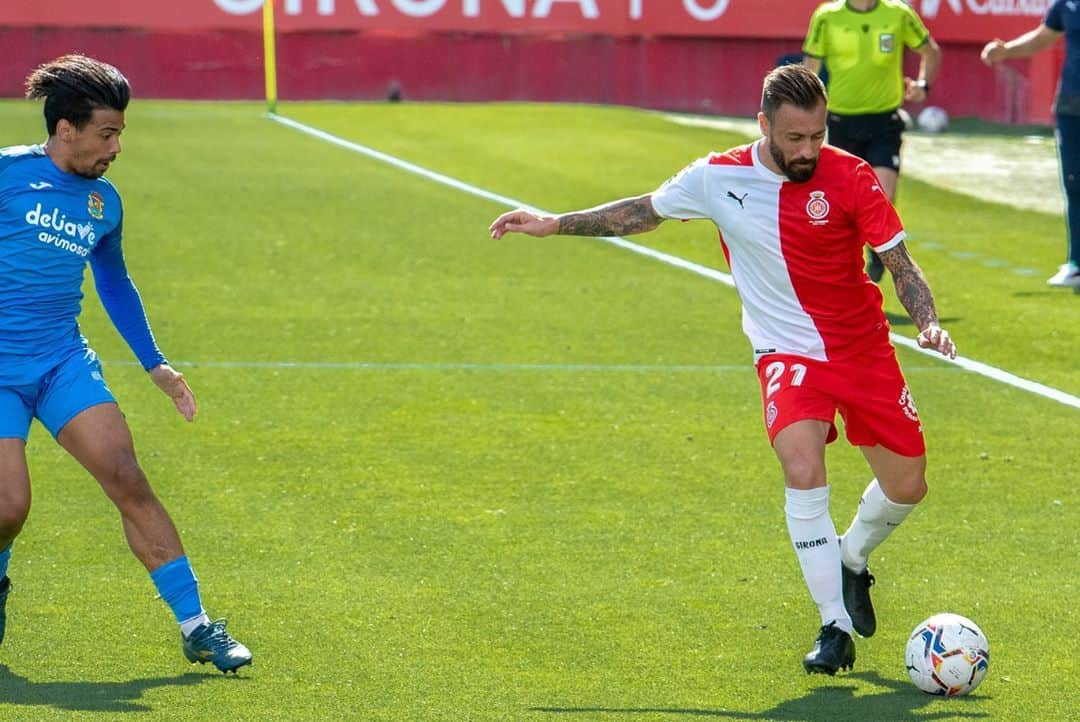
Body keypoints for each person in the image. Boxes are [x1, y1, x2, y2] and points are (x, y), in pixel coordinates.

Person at [489, 64, 957, 675]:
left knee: (907, 484)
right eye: (795, 138)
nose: (809, 149)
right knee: (802, 465)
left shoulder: (850, 175)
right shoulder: (716, 177)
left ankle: (851, 559)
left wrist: (926, 321)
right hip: (784, 353)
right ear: (763, 126)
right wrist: (555, 223)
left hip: (862, 350)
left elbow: (897, 260)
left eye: (817, 135)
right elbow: (644, 211)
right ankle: (832, 627)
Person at [0, 54, 252, 674]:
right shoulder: (7, 176)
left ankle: (198, 627)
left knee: (127, 476)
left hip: (61, 362)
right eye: (106, 134)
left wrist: (156, 366)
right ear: (66, 129)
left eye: (120, 135)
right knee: (8, 508)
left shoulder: (104, 203)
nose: (115, 148)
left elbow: (114, 284)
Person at [801, 0, 941, 283]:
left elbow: (931, 51)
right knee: (844, 200)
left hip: (884, 122)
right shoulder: (827, 17)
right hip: (841, 121)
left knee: (884, 194)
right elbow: (810, 67)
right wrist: (804, 111)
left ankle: (877, 252)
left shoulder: (898, 13)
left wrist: (923, 86)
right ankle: (846, 261)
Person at [981, 2, 1080, 288]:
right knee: (1074, 184)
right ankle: (1076, 263)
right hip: (1071, 106)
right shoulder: (1066, 4)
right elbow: (1044, 36)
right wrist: (1007, 50)